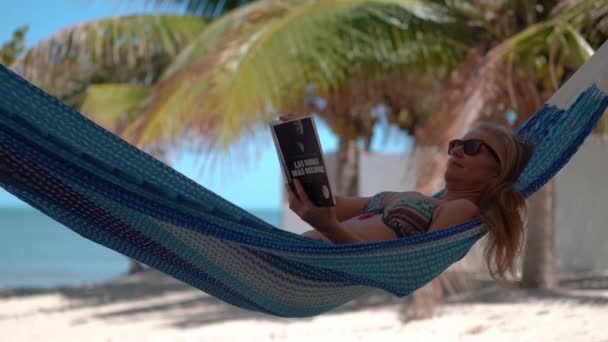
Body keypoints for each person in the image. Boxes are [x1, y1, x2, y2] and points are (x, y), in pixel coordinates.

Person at [282, 115, 535, 282]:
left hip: (305, 269)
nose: (457, 150)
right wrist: (304, 154)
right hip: (290, 254)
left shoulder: (463, 209)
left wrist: (328, 227)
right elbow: (332, 206)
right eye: (457, 144)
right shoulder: (421, 200)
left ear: (497, 173)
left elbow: (411, 272)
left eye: (471, 148)